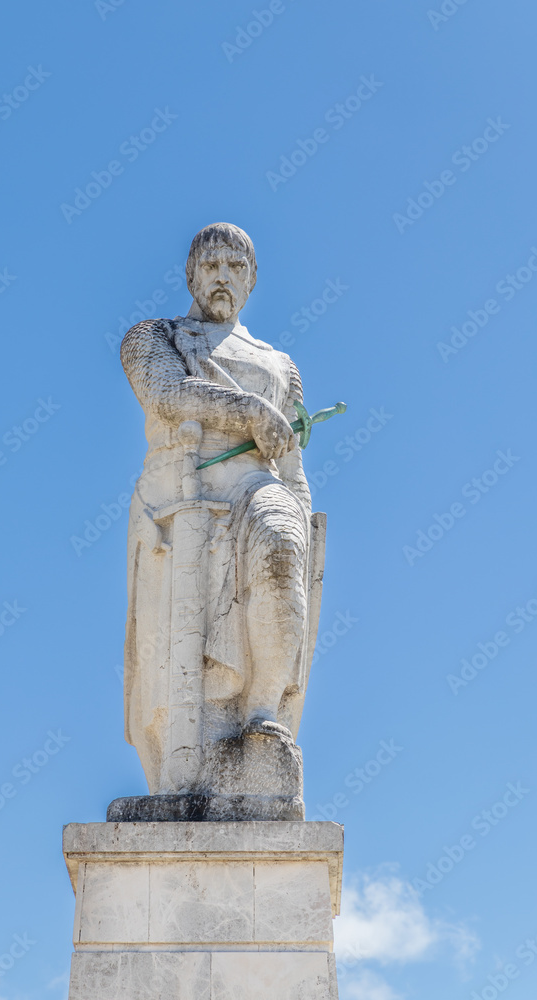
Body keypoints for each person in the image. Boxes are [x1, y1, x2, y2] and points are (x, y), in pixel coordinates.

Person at [120, 222, 325, 794]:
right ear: (191, 274)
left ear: (252, 281)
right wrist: (252, 413)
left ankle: (262, 716)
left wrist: (303, 522)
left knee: (282, 542)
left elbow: (292, 461)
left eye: (236, 267)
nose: (222, 276)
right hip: (178, 505)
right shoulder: (153, 336)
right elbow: (165, 393)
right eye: (210, 265)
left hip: (258, 492)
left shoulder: (281, 366)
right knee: (175, 690)